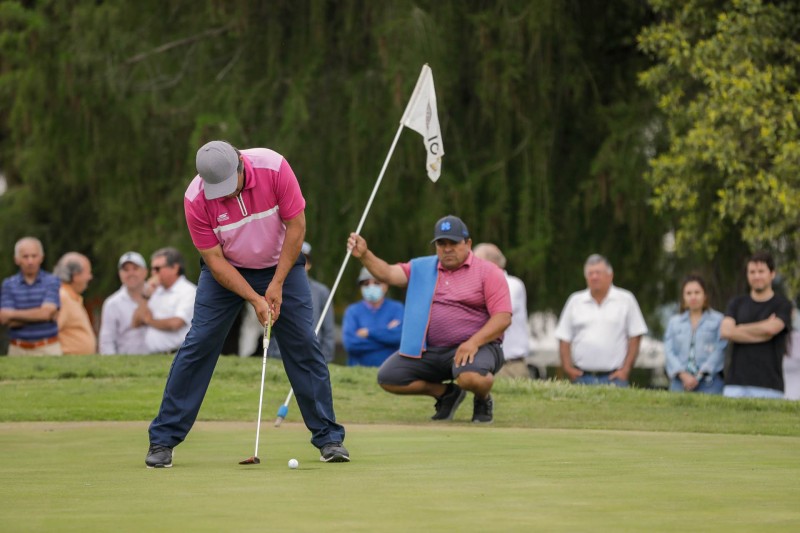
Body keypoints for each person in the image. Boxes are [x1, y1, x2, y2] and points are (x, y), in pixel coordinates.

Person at [146, 140, 347, 468]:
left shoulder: (274, 168)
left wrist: (277, 283)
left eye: (229, 184)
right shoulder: (196, 198)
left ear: (241, 163)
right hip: (226, 269)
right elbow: (214, 259)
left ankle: (329, 438)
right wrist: (254, 298)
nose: (224, 194)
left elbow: (297, 226)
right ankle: (163, 439)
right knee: (200, 342)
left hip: (280, 263)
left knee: (302, 342)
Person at [349, 215, 512, 424]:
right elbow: (388, 273)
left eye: (453, 243)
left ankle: (482, 399)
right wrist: (365, 255)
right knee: (389, 377)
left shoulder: (488, 272)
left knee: (470, 378)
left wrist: (473, 342)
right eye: (441, 243)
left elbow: (503, 317)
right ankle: (447, 394)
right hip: (431, 349)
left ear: (468, 243)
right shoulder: (422, 268)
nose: (447, 249)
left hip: (478, 347)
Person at [555, 254, 648, 387]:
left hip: (615, 378)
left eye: (598, 273)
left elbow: (636, 336)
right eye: (590, 273)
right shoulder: (575, 301)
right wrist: (567, 367)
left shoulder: (626, 300)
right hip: (582, 377)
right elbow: (564, 337)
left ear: (610, 276)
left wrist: (626, 370)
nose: (594, 277)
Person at [241, 241, 336, 361]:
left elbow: (328, 331)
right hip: (278, 355)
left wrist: (324, 357)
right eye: (294, 259)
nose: (298, 265)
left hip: (311, 354)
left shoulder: (321, 292)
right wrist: (272, 353)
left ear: (309, 264)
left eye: (303, 260)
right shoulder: (275, 289)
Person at [720, 251, 792, 399]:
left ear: (772, 274)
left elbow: (771, 329)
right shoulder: (737, 303)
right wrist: (763, 330)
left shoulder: (782, 304)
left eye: (761, 271)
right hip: (735, 385)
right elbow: (726, 331)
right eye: (752, 272)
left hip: (770, 386)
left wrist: (738, 329)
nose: (756, 276)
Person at [473, 243, 531, 379]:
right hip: (484, 363)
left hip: (510, 367)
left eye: (476, 263)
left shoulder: (512, 284)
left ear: (491, 264)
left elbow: (494, 313)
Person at [663, 275, 727, 394]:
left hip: (709, 383)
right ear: (683, 297)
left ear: (705, 295)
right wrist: (683, 375)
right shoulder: (674, 322)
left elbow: (721, 348)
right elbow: (669, 350)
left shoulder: (718, 319)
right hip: (679, 383)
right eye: (688, 293)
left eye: (697, 292)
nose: (693, 297)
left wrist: (700, 374)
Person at [0, 237, 62, 356]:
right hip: (17, 349)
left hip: (48, 348)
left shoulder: (52, 281)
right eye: (25, 257)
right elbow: (5, 319)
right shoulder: (8, 284)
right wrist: (41, 316)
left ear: (41, 258)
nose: (30, 261)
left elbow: (46, 313)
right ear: (16, 259)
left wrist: (13, 314)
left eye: (34, 256)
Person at [132, 247, 196, 354]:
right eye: (152, 269)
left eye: (157, 269)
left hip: (176, 355)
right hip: (152, 356)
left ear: (175, 268)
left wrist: (149, 321)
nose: (153, 273)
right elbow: (136, 322)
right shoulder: (154, 290)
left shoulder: (188, 291)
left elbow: (176, 323)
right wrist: (145, 296)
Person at [342, 267, 404, 367]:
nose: (371, 286)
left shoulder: (397, 308)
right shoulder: (352, 311)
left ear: (386, 286)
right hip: (358, 371)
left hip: (391, 369)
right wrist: (386, 334)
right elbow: (351, 344)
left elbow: (399, 338)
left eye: (377, 283)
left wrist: (368, 332)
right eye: (366, 284)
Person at [98, 251, 150, 355]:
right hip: (126, 360)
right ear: (120, 274)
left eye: (135, 268)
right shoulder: (112, 303)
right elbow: (107, 341)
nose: (131, 273)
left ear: (145, 272)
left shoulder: (159, 295)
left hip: (159, 359)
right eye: (126, 270)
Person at [54, 252, 97, 355]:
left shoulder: (71, 297)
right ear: (75, 275)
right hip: (67, 361)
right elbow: (51, 332)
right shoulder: (62, 298)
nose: (90, 277)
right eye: (88, 272)